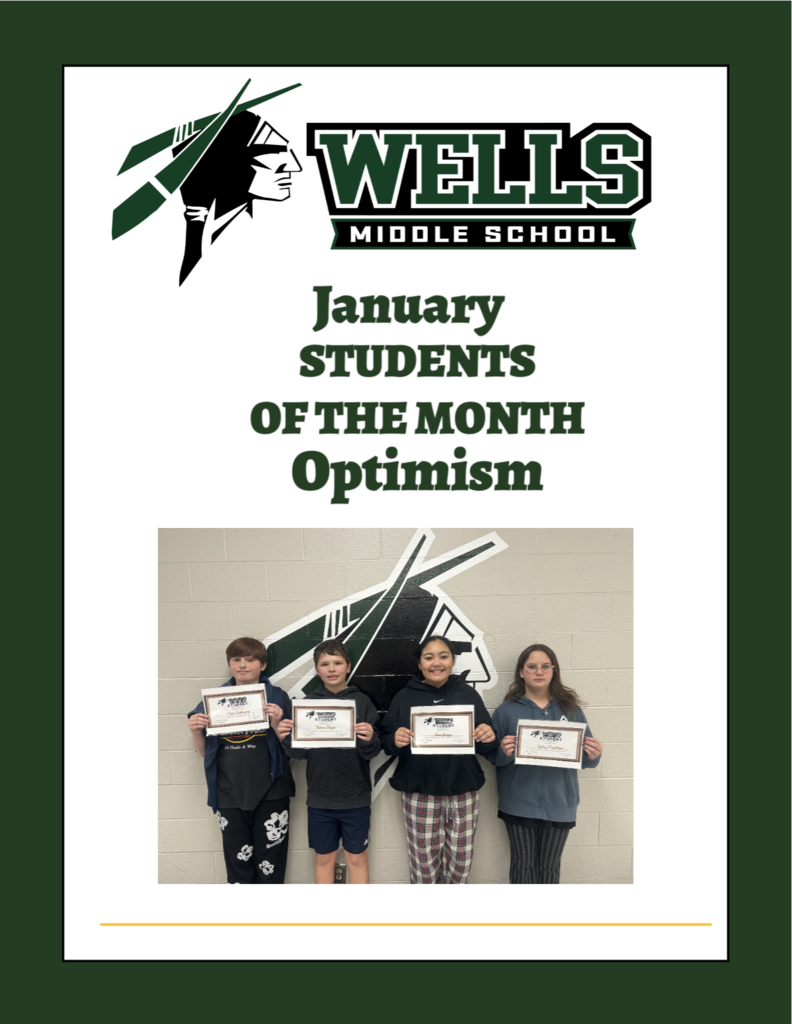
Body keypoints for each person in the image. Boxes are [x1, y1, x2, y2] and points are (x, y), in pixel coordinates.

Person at [380, 635, 498, 884]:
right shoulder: (404, 697)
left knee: (460, 868)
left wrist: (489, 736)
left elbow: (487, 747)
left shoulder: (468, 695)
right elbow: (386, 742)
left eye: (443, 656)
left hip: (463, 794)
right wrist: (395, 739)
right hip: (419, 795)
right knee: (424, 870)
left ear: (453, 661)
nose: (437, 662)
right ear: (420, 664)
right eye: (429, 657)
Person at [489, 644, 603, 884]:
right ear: (521, 672)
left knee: (549, 868)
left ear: (554, 671)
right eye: (531, 666)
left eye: (545, 666)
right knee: (522, 865)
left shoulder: (571, 711)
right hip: (518, 803)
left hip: (560, 802)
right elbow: (493, 758)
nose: (538, 671)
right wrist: (504, 752)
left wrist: (593, 755)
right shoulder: (505, 712)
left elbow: (585, 760)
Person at [187, 637, 294, 884]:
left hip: (272, 791)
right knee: (238, 863)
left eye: (250, 659)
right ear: (229, 664)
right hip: (229, 792)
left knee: (271, 863)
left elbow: (290, 752)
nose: (242, 665)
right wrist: (195, 731)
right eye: (236, 659)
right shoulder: (213, 700)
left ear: (263, 664)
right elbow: (204, 753)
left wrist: (277, 723)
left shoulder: (277, 697)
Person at [277, 640, 381, 884]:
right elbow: (299, 754)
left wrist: (369, 738)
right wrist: (286, 739)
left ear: (348, 666)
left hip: (356, 796)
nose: (331, 668)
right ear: (317, 669)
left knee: (357, 859)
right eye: (325, 664)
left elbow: (373, 751)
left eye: (337, 663)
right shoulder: (306, 705)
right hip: (320, 797)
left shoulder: (362, 702)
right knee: (324, 859)